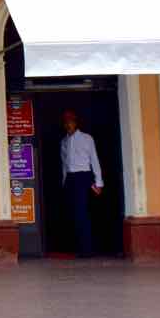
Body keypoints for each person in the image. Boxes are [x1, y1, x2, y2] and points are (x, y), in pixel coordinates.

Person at [60, 110, 103, 258]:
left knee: (83, 214)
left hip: (84, 177)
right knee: (73, 214)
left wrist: (99, 182)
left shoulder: (86, 138)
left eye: (70, 121)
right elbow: (64, 164)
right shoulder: (64, 142)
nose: (68, 124)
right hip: (71, 179)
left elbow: (94, 160)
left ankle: (87, 249)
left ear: (76, 122)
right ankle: (78, 248)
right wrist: (64, 181)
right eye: (65, 121)